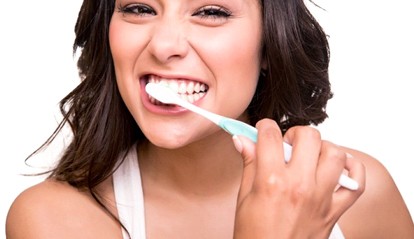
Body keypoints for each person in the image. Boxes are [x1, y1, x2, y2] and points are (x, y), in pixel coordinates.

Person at [6, 0, 414, 238]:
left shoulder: (359, 191)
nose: (164, 45)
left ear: (271, 43)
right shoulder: (55, 221)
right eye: (139, 7)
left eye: (211, 11)